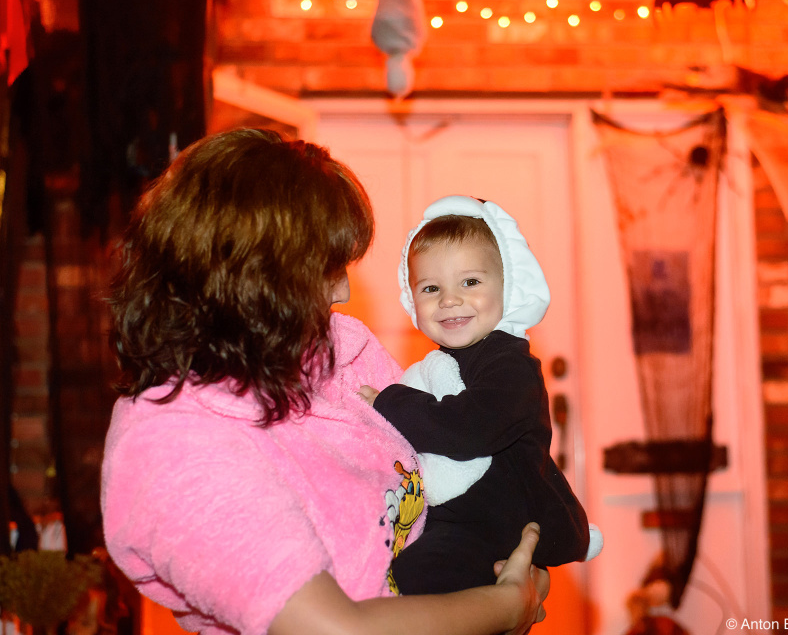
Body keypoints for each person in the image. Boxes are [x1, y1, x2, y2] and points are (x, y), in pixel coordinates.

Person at [100, 128, 549, 635]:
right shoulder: (171, 448)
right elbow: (335, 630)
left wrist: (517, 559)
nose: (345, 288)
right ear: (253, 276)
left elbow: (459, 472)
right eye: (328, 267)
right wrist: (508, 603)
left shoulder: (334, 349)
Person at [359, 195, 600, 595]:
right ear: (411, 298)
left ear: (509, 287)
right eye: (431, 287)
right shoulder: (439, 363)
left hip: (500, 522)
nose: (449, 300)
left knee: (416, 581)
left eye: (470, 282)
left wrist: (390, 403)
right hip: (458, 517)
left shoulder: (511, 364)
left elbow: (469, 428)